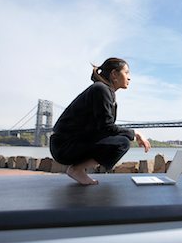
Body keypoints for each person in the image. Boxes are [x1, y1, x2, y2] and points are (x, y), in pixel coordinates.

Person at [49, 57, 151, 185]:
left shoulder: (106, 92)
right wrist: (135, 133)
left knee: (121, 140)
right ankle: (76, 169)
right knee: (122, 143)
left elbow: (104, 128)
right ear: (114, 74)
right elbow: (106, 128)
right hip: (64, 146)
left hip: (69, 143)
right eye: (126, 73)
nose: (129, 78)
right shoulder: (100, 90)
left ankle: (78, 169)